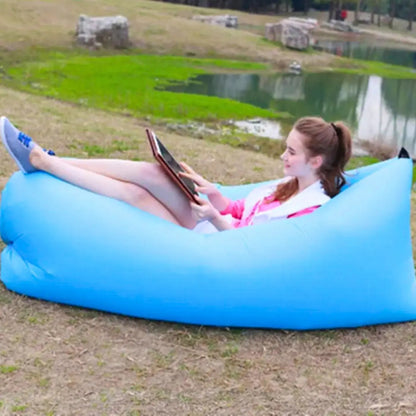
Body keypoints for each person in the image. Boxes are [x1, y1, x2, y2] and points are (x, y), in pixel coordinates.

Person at [0, 116, 352, 233]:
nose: (283, 156)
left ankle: (44, 162)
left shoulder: (308, 210)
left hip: (214, 240)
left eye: (291, 152)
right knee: (153, 172)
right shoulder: (288, 185)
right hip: (208, 222)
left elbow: (255, 246)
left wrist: (213, 217)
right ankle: (50, 159)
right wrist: (212, 192)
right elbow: (239, 210)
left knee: (136, 195)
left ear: (316, 162)